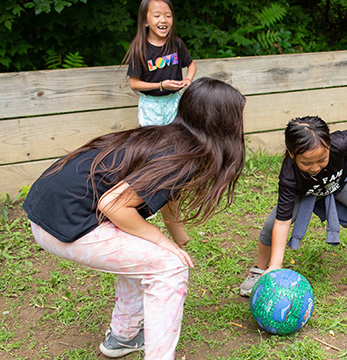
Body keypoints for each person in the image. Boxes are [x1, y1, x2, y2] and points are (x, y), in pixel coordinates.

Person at [22, 78, 245, 359]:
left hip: (48, 210)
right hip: (66, 221)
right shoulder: (182, 154)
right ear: (223, 124)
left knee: (149, 253)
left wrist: (177, 235)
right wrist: (165, 243)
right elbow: (114, 204)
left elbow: (167, 193)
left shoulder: (171, 138)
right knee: (169, 267)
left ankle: (124, 337)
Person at [239, 116, 347, 297]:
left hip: (340, 182)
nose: (315, 167)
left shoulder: (341, 142)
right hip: (305, 193)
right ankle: (261, 270)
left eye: (322, 160)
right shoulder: (289, 175)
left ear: (329, 144)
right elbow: (283, 222)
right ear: (292, 154)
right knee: (271, 227)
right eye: (307, 163)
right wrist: (276, 266)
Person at [123, 0, 197, 127]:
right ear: (145, 21)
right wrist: (161, 85)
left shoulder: (176, 44)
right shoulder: (140, 49)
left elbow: (191, 65)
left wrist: (188, 80)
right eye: (157, 16)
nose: (163, 20)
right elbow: (134, 83)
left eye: (168, 15)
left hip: (175, 101)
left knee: (176, 138)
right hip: (151, 106)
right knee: (153, 142)